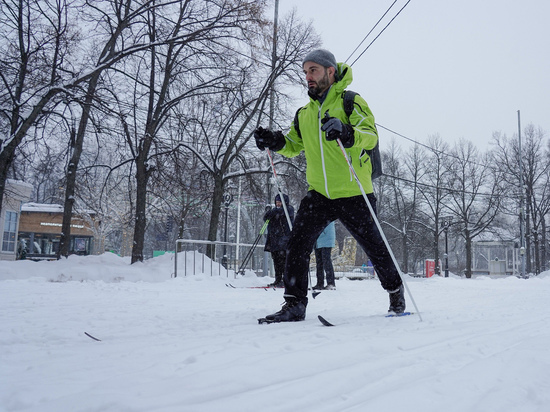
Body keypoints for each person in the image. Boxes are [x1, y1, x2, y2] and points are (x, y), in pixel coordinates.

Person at [254, 48, 405, 322]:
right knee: (297, 244)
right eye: (305, 72)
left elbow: (370, 135)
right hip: (319, 194)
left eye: (313, 70)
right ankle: (294, 304)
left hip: (354, 190)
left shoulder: (350, 101)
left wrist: (347, 132)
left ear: (330, 71)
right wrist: (274, 141)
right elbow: (293, 145)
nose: (308, 76)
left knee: (375, 248)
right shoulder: (304, 114)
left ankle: (395, 291)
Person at [263, 193, 294, 288]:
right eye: (277, 202)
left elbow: (282, 213)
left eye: (280, 202)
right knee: (276, 261)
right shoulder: (274, 211)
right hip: (274, 241)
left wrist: (274, 212)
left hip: (284, 241)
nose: (278, 204)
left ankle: (285, 280)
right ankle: (278, 279)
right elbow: (266, 218)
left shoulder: (289, 209)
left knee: (284, 261)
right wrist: (271, 212)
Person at [313, 221, 336, 290]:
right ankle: (320, 283)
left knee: (326, 261)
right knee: (319, 262)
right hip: (318, 239)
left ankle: (331, 283)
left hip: (326, 238)